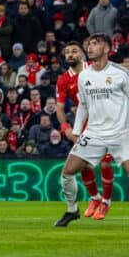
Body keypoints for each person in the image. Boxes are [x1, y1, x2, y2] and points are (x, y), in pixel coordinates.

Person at [55, 33, 129, 227]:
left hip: (120, 133)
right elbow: (84, 106)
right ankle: (73, 210)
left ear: (106, 49)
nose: (90, 47)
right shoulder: (84, 76)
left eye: (95, 44)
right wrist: (77, 132)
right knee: (68, 172)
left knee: (110, 167)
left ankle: (105, 201)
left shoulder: (121, 73)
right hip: (93, 133)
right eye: (89, 44)